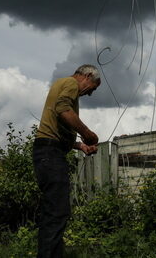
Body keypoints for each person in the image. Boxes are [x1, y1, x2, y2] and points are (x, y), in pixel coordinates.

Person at [33, 64, 101, 258]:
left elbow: (56, 127)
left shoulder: (62, 84)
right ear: (87, 76)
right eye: (93, 88)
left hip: (47, 151)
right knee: (57, 212)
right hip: (50, 153)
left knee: (55, 212)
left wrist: (80, 146)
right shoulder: (71, 83)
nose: (90, 94)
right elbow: (62, 108)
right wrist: (88, 134)